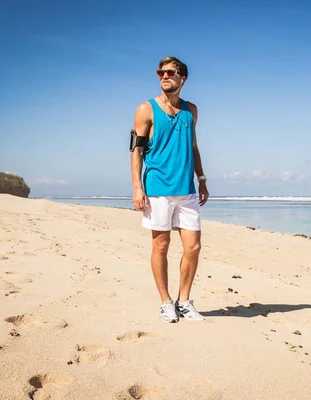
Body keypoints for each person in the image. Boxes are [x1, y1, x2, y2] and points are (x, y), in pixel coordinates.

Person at [130, 56, 209, 323]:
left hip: (186, 189)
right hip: (157, 189)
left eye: (171, 72)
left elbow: (194, 147)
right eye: (160, 72)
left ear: (182, 78)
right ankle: (166, 302)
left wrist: (202, 178)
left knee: (193, 247)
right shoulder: (146, 109)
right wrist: (137, 187)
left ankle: (184, 301)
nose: (165, 76)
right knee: (161, 245)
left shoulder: (191, 111)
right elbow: (136, 150)